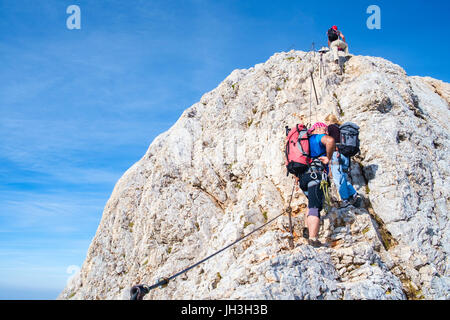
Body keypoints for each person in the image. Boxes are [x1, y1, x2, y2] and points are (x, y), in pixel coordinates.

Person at [296, 122, 335, 247]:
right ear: (316, 129)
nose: (325, 131)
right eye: (324, 128)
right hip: (316, 176)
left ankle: (307, 230)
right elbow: (330, 141)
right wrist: (328, 158)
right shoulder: (317, 138)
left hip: (304, 178)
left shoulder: (303, 143)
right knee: (315, 206)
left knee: (311, 202)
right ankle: (313, 238)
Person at [324, 114, 360, 207]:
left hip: (336, 154)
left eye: (326, 122)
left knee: (337, 177)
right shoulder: (341, 128)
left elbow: (328, 141)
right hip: (346, 155)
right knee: (343, 176)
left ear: (329, 121)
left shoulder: (331, 127)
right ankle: (353, 193)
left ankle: (345, 199)